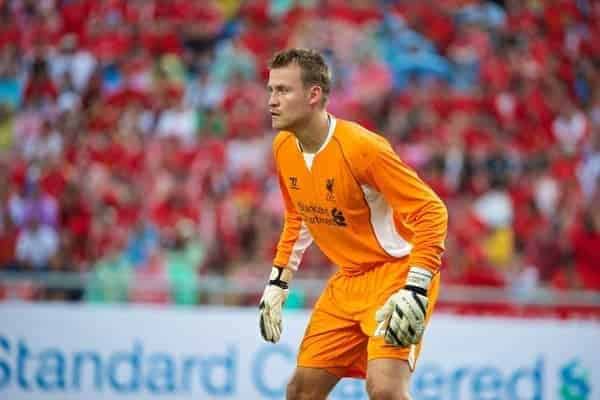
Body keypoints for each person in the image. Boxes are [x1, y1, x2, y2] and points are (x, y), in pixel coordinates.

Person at [259, 48, 448, 400]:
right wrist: (277, 283)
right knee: (300, 391)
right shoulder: (283, 147)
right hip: (348, 280)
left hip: (396, 274)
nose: (272, 100)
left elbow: (432, 211)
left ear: (314, 95)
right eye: (271, 90)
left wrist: (417, 287)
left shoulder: (363, 148)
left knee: (385, 388)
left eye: (283, 90)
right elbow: (298, 218)